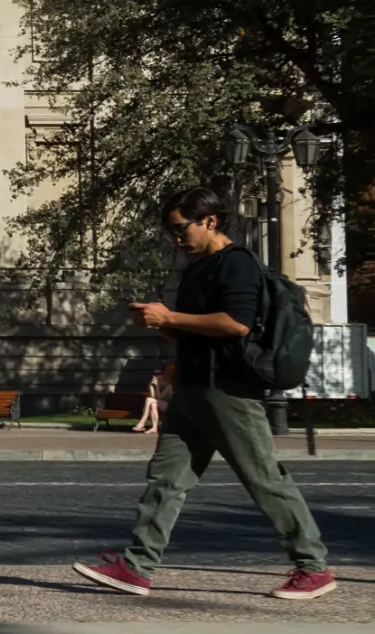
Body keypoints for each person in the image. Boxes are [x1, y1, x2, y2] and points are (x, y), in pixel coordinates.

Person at [74, 187, 333, 601]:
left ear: (209, 221)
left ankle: (313, 567)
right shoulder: (198, 267)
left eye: (180, 229)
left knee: (263, 478)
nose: (175, 238)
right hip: (194, 389)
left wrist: (171, 315)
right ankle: (136, 567)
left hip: (228, 389)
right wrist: (162, 325)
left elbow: (236, 324)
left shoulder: (237, 264)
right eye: (169, 231)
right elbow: (198, 331)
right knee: (166, 478)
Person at [133, 365, 176, 436]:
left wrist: (157, 386)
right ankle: (154, 428)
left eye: (158, 374)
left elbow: (160, 397)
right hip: (159, 404)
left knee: (149, 400)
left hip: (169, 405)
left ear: (162, 375)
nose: (156, 376)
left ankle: (142, 422)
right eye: (154, 374)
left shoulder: (169, 385)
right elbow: (153, 397)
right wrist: (151, 386)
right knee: (153, 404)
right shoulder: (153, 384)